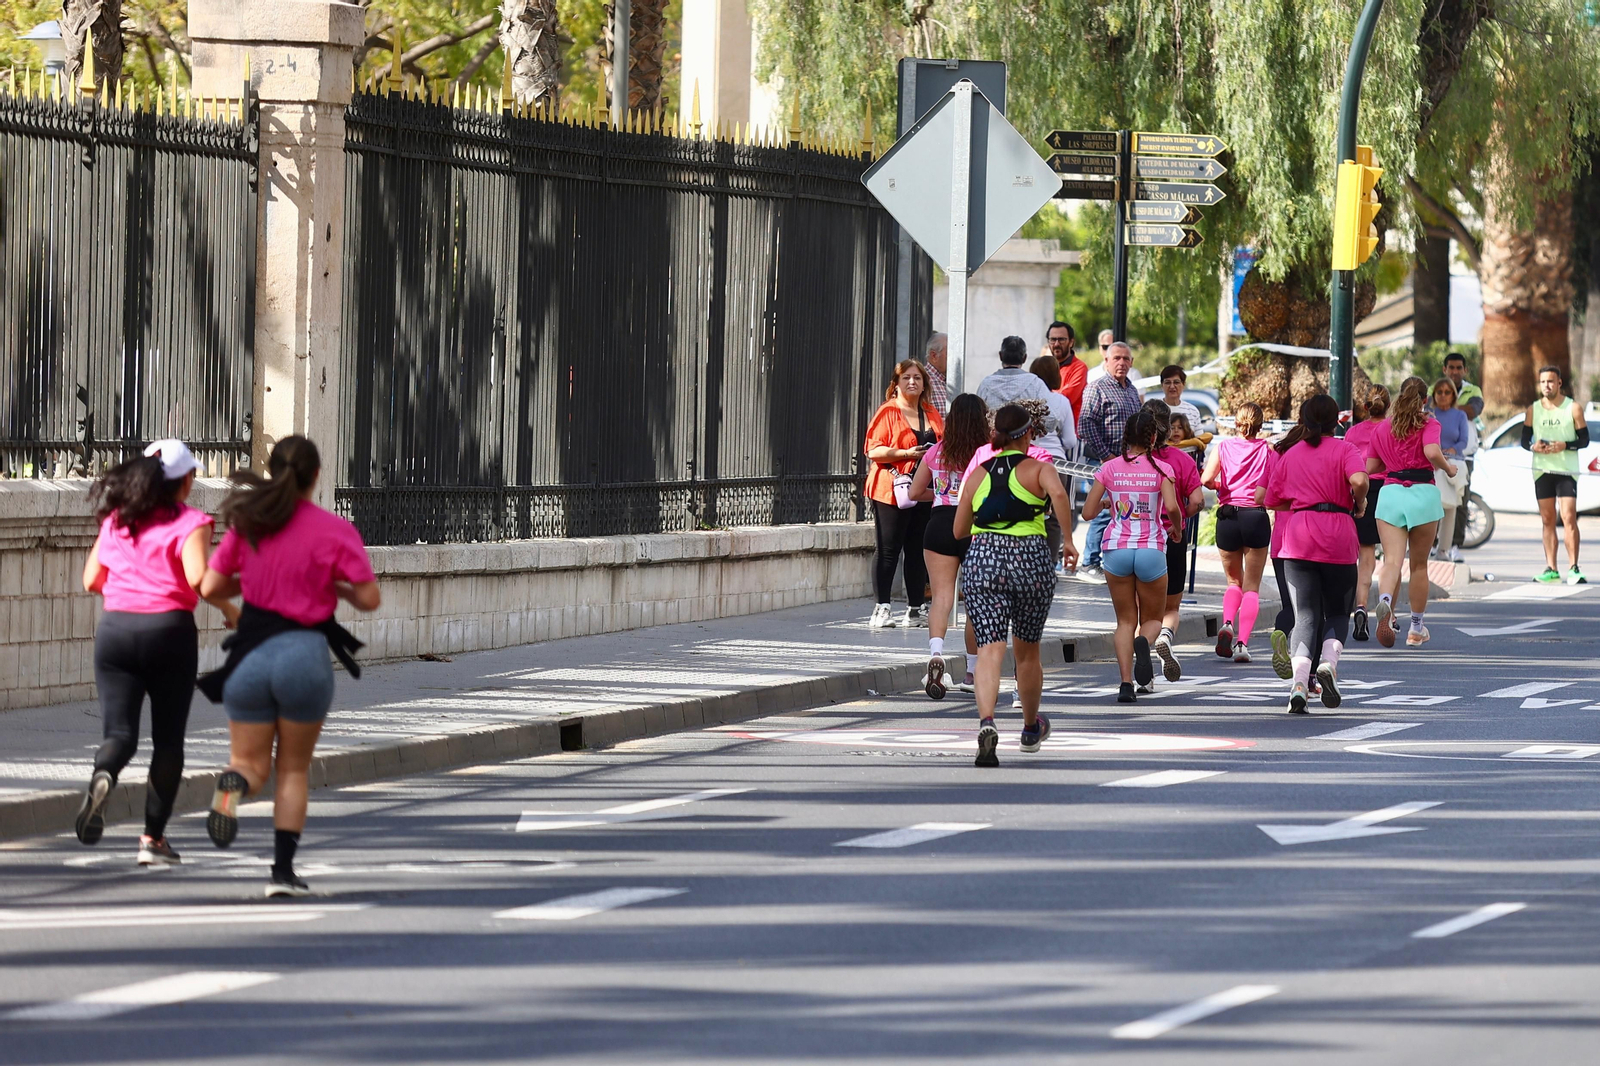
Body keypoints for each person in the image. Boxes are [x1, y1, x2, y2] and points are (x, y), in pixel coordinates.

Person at [197, 436, 381, 897]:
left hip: (251, 657)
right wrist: (337, 588)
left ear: (272, 470)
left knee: (249, 765)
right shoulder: (335, 530)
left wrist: (248, 584)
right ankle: (281, 873)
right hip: (304, 657)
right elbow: (369, 598)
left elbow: (210, 585)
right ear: (316, 476)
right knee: (293, 770)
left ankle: (232, 787)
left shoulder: (249, 525)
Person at [73, 441, 232, 865]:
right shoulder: (192, 521)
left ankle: (104, 774)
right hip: (168, 632)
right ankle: (153, 840)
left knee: (119, 736)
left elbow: (91, 579)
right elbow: (198, 578)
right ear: (184, 481)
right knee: (167, 741)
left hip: (116, 631)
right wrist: (231, 609)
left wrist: (130, 596)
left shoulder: (117, 519)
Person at [954, 404, 1076, 768]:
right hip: (1030, 561)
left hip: (984, 562)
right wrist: (1069, 541)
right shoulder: (1039, 468)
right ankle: (1029, 728)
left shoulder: (978, 473)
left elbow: (958, 530)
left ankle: (987, 721)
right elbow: (1059, 495)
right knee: (1027, 652)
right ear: (1028, 434)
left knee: (990, 649)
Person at [1264, 395, 1369, 713]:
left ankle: (1299, 684)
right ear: (1336, 421)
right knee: (1337, 612)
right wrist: (1359, 502)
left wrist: (1300, 503)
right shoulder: (1345, 450)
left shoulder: (1291, 454)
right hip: (1338, 534)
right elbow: (1360, 479)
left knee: (1305, 615)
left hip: (1299, 538)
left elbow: (1271, 499)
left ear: (1304, 420)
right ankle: (1328, 664)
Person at [1084, 407, 1182, 703]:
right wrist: (1176, 530)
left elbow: (1087, 513)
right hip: (1151, 547)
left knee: (1125, 621)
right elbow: (1172, 507)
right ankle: (1145, 641)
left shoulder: (1109, 468)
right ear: (1153, 438)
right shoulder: (1162, 469)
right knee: (1153, 618)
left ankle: (1125, 684)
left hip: (1117, 549)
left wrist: (1106, 504)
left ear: (1126, 436)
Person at [1369, 377, 1457, 648]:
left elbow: (1371, 466)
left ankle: (1385, 602)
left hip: (1391, 494)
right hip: (1422, 495)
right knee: (1419, 565)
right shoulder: (1429, 423)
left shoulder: (1383, 427)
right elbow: (1431, 451)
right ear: (1425, 400)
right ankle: (1416, 628)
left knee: (1392, 562)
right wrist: (1448, 468)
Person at [911, 393, 989, 698]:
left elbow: (915, 492)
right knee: (975, 602)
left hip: (939, 523)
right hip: (974, 526)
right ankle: (971, 671)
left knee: (941, 598)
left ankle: (936, 654)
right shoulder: (987, 454)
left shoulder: (936, 452)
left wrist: (943, 495)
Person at [863, 360, 944, 628]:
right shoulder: (887, 412)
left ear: (924, 384)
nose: (912, 382)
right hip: (891, 489)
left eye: (917, 378)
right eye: (906, 377)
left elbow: (942, 444)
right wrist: (906, 453)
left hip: (923, 490)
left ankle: (915, 609)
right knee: (888, 549)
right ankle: (881, 609)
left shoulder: (931, 412)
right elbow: (873, 450)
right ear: (896, 384)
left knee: (917, 549)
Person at [1203, 402, 1272, 662]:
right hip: (1255, 516)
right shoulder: (1267, 450)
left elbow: (1205, 480)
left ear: (1236, 423)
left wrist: (1221, 486)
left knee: (1234, 582)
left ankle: (1228, 622)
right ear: (1260, 426)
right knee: (1252, 587)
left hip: (1228, 516)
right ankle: (1242, 644)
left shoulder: (1222, 447)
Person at [1076, 340, 1145, 581]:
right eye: (1116, 358)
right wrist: (1107, 456)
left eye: (1126, 358)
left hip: (1127, 463)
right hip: (1102, 462)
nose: (1121, 363)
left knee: (1121, 512)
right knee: (1103, 510)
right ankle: (1089, 562)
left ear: (1132, 362)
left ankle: (1111, 562)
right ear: (1106, 361)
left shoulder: (1132, 390)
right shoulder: (1097, 388)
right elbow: (1085, 425)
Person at [1522, 365, 1589, 584]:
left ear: (1559, 383)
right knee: (1547, 519)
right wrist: (1534, 447)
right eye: (1543, 382)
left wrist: (1565, 445)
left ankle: (1574, 568)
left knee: (1569, 516)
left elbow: (1584, 440)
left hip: (1566, 470)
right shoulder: (1533, 409)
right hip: (1542, 470)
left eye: (1550, 381)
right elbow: (1524, 440)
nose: (1547, 386)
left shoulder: (1573, 408)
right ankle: (1551, 569)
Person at [1155, 410, 1205, 682]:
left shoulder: (1129, 459)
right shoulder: (1182, 460)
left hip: (1138, 538)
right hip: (1173, 534)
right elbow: (1197, 501)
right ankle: (1165, 635)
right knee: (1171, 606)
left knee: (1139, 612)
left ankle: (1140, 676)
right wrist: (1182, 518)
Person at [1341, 385, 1391, 642]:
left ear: (1365, 407)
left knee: (1366, 555)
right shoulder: (1393, 429)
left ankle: (1360, 606)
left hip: (1364, 490)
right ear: (1389, 406)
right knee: (1393, 557)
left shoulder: (1353, 432)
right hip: (1390, 489)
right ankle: (1388, 613)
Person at [1443, 351, 1483, 551]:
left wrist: (1445, 406)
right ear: (1445, 369)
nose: (1455, 371)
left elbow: (1473, 411)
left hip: (1464, 456)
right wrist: (1458, 408)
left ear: (1465, 370)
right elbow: (1430, 411)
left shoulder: (1473, 390)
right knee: (1437, 501)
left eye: (1459, 368)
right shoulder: (1436, 388)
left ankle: (1455, 545)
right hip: (1440, 455)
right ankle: (1435, 544)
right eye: (1451, 367)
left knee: (1460, 501)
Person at [1428, 378, 1471, 563]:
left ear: (1453, 395)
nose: (1443, 396)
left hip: (1453, 465)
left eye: (1447, 392)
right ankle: (1428, 545)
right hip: (1432, 465)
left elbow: (1463, 441)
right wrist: (1437, 457)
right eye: (1439, 392)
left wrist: (1450, 452)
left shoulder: (1460, 415)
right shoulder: (1429, 416)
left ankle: (1444, 549)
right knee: (1431, 508)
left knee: (1450, 508)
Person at [977, 335, 1056, 413]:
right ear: (1024, 358)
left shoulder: (985, 385)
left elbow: (977, 414)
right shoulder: (1036, 384)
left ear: (1000, 356)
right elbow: (1050, 414)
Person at [1046, 320, 1088, 418]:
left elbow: (1065, 399)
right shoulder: (1046, 367)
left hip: (1069, 425)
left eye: (1061, 339)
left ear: (1071, 342)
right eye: (1053, 339)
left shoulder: (1079, 367)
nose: (1056, 344)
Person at [923, 332, 950, 416]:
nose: (954, 359)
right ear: (934, 356)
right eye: (949, 353)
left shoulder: (949, 381)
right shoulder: (922, 380)